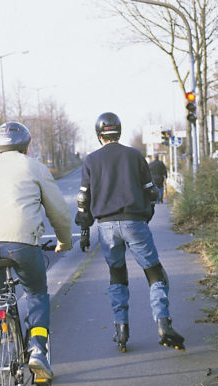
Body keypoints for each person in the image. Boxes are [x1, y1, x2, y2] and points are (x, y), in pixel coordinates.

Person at [0, 121, 72, 382]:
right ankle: (38, 351)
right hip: (23, 244)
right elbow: (58, 212)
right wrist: (64, 241)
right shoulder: (34, 167)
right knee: (36, 293)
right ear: (26, 145)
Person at [75, 112, 184, 352]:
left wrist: (84, 231)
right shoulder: (134, 156)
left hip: (105, 227)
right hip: (134, 222)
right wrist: (147, 213)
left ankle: (121, 329)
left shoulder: (91, 160)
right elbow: (151, 191)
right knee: (154, 271)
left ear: (99, 134)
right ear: (119, 131)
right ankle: (163, 323)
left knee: (117, 275)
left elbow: (83, 198)